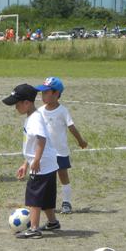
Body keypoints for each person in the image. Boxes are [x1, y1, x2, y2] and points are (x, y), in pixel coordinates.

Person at [3, 83, 60, 239]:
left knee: (34, 197)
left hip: (41, 165)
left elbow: (41, 139)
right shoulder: (33, 116)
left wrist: (36, 160)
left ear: (27, 103)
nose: (15, 107)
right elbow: (33, 144)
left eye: (17, 104)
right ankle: (53, 222)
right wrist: (25, 163)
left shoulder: (34, 119)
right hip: (48, 164)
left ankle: (34, 228)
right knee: (46, 196)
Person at [36, 77, 87, 215]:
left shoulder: (62, 111)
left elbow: (71, 127)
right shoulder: (40, 111)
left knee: (63, 176)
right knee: (45, 177)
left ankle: (66, 202)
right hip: (46, 152)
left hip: (60, 151)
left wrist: (80, 141)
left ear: (56, 94)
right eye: (42, 93)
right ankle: (44, 203)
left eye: (46, 92)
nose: (42, 95)